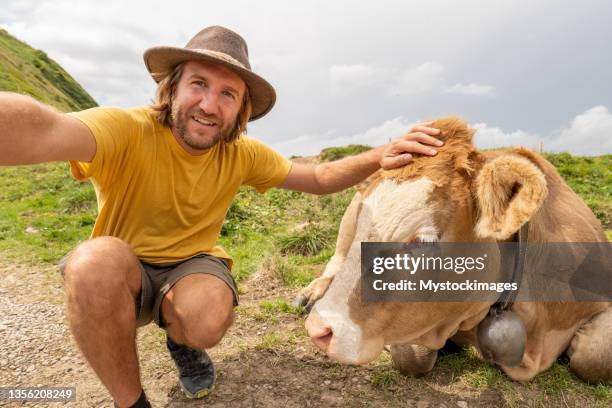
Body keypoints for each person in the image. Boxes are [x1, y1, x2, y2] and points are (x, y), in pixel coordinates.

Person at [0, 26, 442, 408]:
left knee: (207, 317)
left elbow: (320, 177)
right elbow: (47, 128)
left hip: (192, 267)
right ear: (171, 88)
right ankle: (130, 401)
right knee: (91, 263)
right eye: (198, 84)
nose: (210, 105)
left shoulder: (241, 154)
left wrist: (383, 153)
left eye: (227, 94)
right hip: (126, 270)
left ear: (240, 111)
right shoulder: (125, 128)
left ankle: (182, 339)